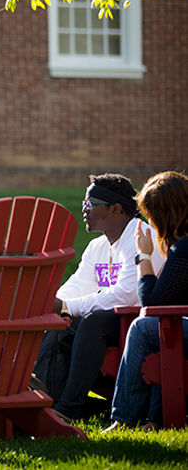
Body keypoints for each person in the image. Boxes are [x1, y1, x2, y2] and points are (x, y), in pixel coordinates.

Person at [32, 174, 164, 423]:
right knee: (59, 324)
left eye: (91, 202)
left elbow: (128, 295)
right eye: (84, 202)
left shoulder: (141, 236)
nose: (84, 208)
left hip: (136, 323)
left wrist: (67, 307)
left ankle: (68, 409)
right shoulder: (97, 247)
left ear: (115, 209)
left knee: (91, 320)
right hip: (107, 319)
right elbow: (77, 286)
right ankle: (47, 401)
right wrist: (54, 305)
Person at [107, 171, 188, 431]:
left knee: (144, 328)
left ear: (166, 214)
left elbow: (151, 303)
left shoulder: (184, 250)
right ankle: (154, 419)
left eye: (151, 215)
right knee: (165, 329)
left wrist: (143, 255)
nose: (150, 224)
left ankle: (125, 419)